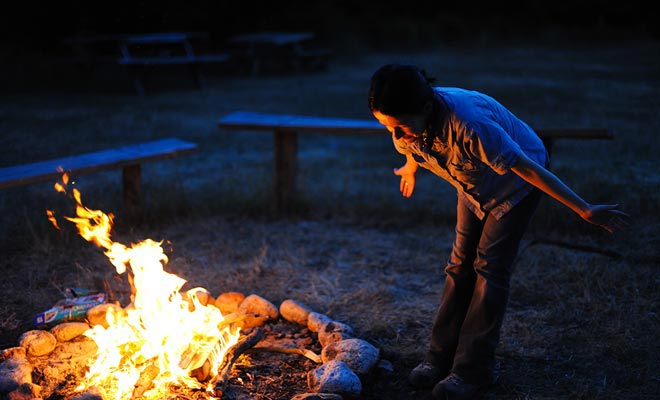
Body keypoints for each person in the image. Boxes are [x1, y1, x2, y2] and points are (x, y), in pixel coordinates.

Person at [367, 64, 631, 400]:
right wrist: (410, 166)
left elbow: (528, 169)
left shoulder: (471, 126)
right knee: (459, 266)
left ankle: (472, 370)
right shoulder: (407, 126)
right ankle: (439, 358)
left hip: (516, 186)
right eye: (387, 127)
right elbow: (411, 144)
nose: (397, 136)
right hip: (473, 184)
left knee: (490, 269)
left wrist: (583, 208)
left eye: (400, 127)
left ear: (427, 109)